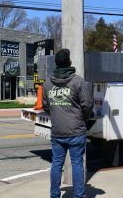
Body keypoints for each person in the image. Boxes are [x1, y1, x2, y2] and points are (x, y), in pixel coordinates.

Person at [42, 49, 93, 198]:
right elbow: (87, 105)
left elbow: (46, 106)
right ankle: (79, 195)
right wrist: (84, 119)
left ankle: (54, 195)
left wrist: (57, 115)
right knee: (77, 163)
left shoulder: (47, 84)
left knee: (56, 164)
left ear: (56, 63)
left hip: (58, 131)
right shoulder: (78, 81)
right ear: (69, 62)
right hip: (76, 130)